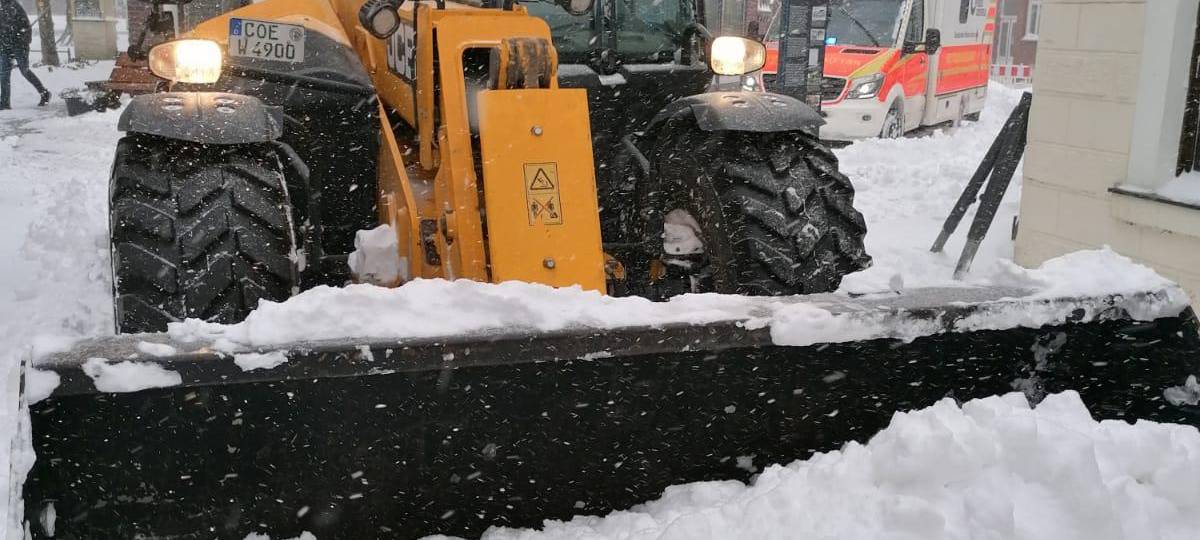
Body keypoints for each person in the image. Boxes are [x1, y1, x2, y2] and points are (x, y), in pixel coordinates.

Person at [0, 0, 50, 110]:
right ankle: (4, 103)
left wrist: (23, 40)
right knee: (3, 75)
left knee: (25, 71)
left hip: (19, 45)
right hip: (5, 46)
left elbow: (26, 25)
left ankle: (44, 92)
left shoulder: (15, 6)